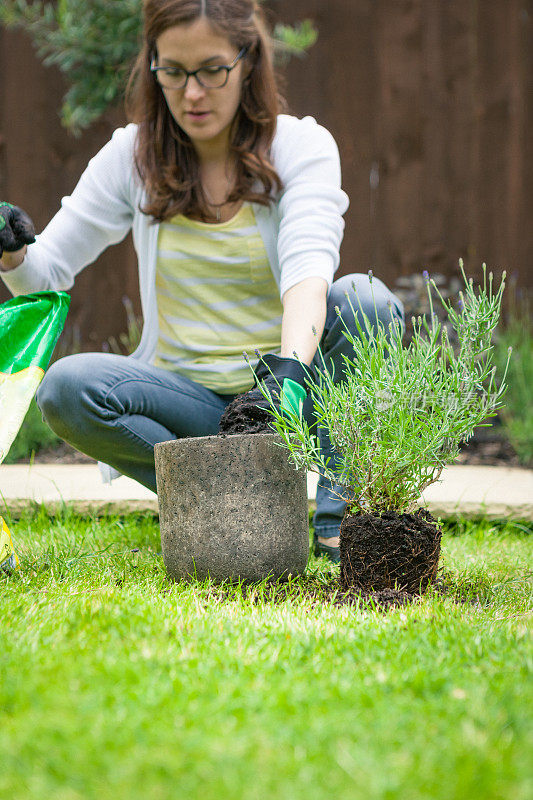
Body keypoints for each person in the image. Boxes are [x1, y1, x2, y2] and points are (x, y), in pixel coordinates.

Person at [0, 0, 404, 563]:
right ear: (153, 66)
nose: (193, 93)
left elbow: (308, 270)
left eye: (212, 70)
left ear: (247, 61)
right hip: (187, 405)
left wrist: (285, 380)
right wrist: (12, 251)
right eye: (173, 71)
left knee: (366, 302)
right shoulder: (132, 158)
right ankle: (229, 504)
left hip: (291, 392)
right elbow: (46, 276)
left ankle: (340, 532)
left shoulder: (299, 147)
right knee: (68, 388)